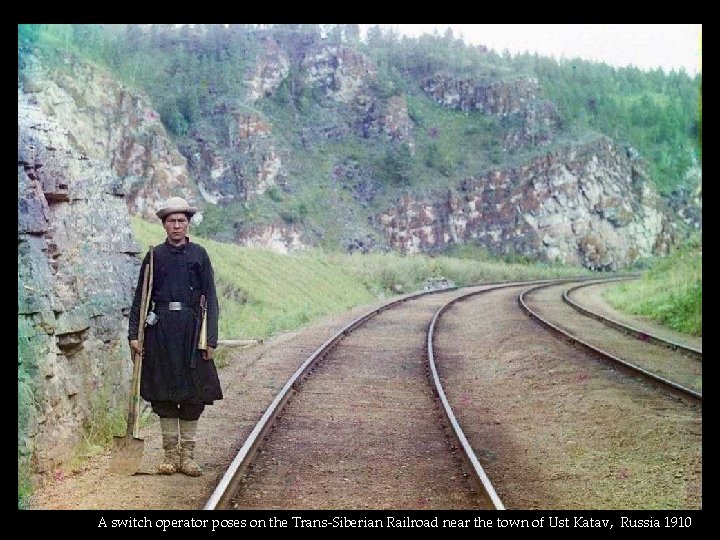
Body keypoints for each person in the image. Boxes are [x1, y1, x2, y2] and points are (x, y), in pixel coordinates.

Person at [128, 196, 222, 476]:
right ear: (164, 225)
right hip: (160, 332)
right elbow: (140, 299)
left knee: (193, 394)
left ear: (187, 223)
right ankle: (170, 456)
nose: (177, 225)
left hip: (193, 332)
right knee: (163, 392)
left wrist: (211, 339)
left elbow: (212, 298)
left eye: (181, 220)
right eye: (172, 221)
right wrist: (134, 333)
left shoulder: (199, 255)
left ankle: (188, 457)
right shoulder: (154, 256)